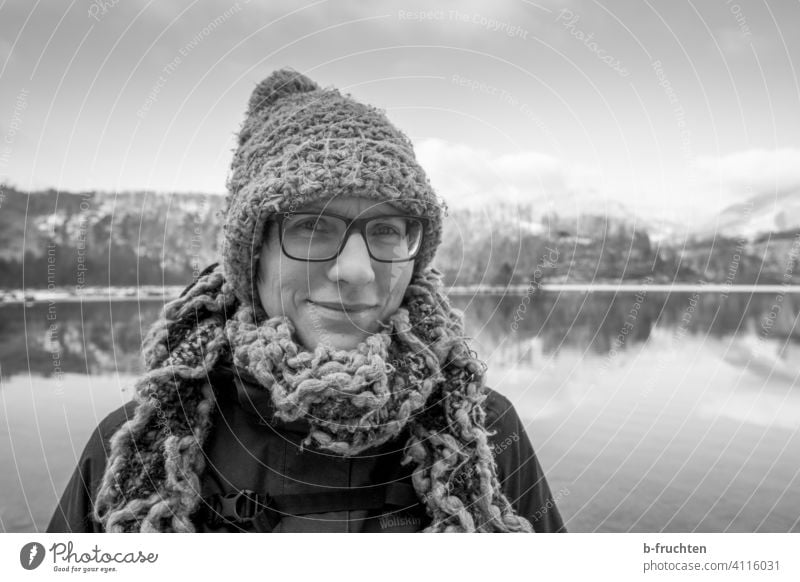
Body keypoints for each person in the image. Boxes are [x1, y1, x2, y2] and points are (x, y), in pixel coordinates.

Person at [47, 68, 566, 533]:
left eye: (386, 228)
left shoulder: (485, 431)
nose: (358, 272)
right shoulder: (137, 447)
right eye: (313, 227)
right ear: (252, 256)